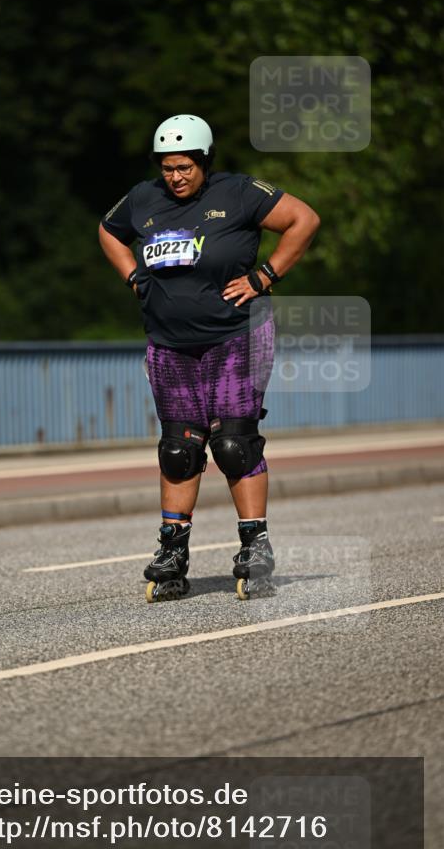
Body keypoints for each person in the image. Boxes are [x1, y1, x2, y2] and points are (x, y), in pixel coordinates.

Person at [98, 114, 320, 601]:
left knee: (233, 445)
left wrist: (265, 276)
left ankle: (254, 546)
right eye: (168, 168)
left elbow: (304, 219)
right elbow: (108, 231)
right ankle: (173, 552)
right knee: (179, 449)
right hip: (169, 343)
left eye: (184, 167)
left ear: (204, 161)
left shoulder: (238, 192)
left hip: (237, 336)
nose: (175, 176)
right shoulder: (143, 199)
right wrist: (133, 275)